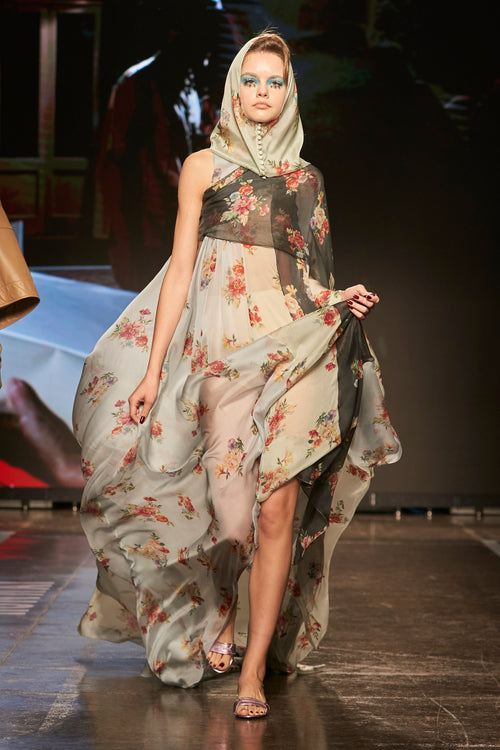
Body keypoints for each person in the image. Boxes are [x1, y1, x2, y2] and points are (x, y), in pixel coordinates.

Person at [73, 32, 401, 719]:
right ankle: (222, 606)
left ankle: (252, 672)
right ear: (233, 89)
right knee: (231, 521)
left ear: (289, 93)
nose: (261, 92)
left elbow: (306, 278)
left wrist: (339, 298)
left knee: (277, 507)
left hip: (296, 352)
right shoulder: (203, 168)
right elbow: (180, 272)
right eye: (250, 80)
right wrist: (153, 371)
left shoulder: (306, 180)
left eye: (274, 82)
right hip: (222, 357)